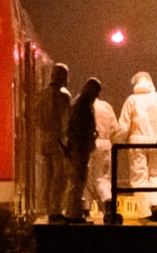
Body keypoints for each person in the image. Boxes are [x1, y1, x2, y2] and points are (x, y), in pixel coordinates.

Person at [114, 71, 157, 222]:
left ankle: (144, 212)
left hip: (137, 141)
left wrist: (116, 142)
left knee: (139, 175)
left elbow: (124, 126)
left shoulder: (131, 100)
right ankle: (156, 206)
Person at [34, 63, 71, 222]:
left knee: (48, 177)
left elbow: (35, 118)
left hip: (44, 140)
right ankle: (56, 209)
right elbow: (66, 121)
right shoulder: (63, 95)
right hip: (58, 141)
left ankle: (47, 207)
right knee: (60, 177)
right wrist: (68, 140)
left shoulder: (41, 95)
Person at [63, 77, 100, 223]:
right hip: (79, 148)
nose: (97, 96)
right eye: (96, 92)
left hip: (78, 147)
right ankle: (73, 213)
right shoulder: (82, 106)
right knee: (77, 181)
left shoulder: (79, 103)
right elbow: (79, 129)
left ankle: (73, 211)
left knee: (77, 180)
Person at [85, 78, 121, 219]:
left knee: (85, 178)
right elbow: (115, 129)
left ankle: (85, 209)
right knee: (103, 178)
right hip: (105, 145)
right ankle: (107, 201)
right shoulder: (106, 107)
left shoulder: (82, 106)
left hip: (87, 145)